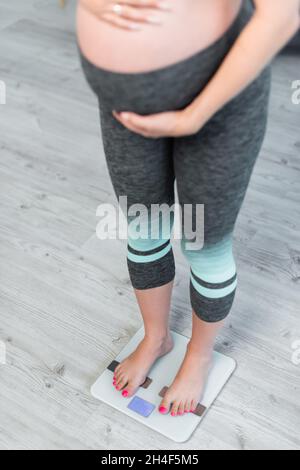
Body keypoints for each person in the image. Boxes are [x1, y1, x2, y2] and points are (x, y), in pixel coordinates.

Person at [77, 0, 299, 417]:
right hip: (123, 103)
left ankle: (198, 356)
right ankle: (156, 336)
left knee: (204, 246)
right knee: (144, 227)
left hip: (220, 104)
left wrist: (195, 115)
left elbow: (283, 12)